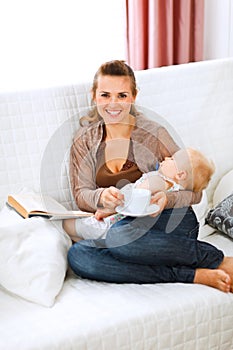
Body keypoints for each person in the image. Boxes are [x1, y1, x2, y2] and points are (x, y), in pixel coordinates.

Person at [67, 60, 233, 293]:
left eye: (122, 95)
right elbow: (81, 195)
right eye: (105, 95)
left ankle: (215, 259)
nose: (113, 104)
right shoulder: (84, 140)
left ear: (133, 96)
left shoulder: (154, 133)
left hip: (168, 224)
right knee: (79, 256)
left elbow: (194, 190)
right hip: (124, 230)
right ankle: (191, 275)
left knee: (119, 236)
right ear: (94, 96)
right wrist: (102, 196)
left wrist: (167, 199)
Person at [63, 147, 215, 241]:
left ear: (180, 174)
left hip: (115, 220)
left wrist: (109, 209)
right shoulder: (175, 190)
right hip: (130, 226)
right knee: (82, 236)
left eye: (172, 159)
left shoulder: (158, 181)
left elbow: (132, 198)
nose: (166, 158)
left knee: (68, 226)